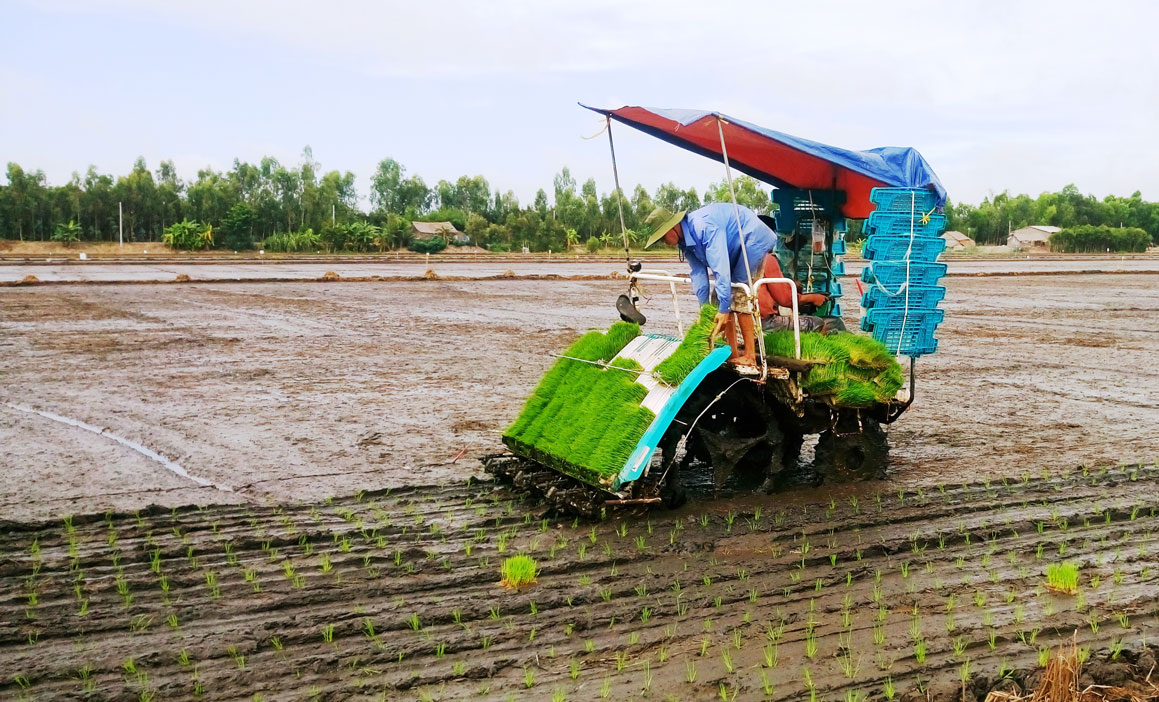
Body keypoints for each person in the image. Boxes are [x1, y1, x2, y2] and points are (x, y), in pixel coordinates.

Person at [644, 203, 777, 369]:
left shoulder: (703, 228)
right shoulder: (685, 243)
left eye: (662, 237)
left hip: (753, 240)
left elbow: (720, 267)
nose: (663, 242)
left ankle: (750, 355)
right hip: (734, 248)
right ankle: (732, 353)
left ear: (673, 227)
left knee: (740, 293)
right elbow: (698, 274)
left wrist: (723, 309)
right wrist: (704, 308)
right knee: (717, 301)